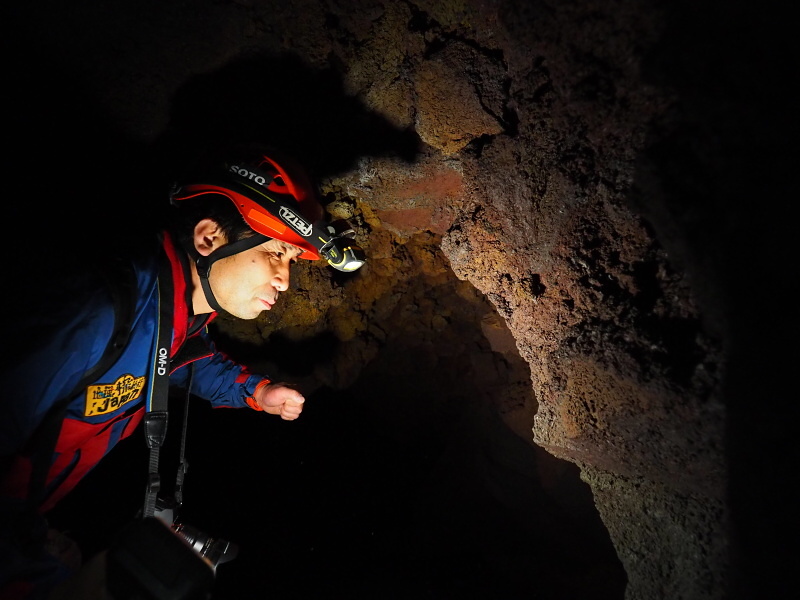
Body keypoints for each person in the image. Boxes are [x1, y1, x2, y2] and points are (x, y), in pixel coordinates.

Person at [0, 143, 365, 599]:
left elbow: (186, 359)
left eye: (290, 261)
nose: (284, 279)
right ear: (208, 238)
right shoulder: (98, 309)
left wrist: (257, 392)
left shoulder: (173, 314)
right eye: (275, 253)